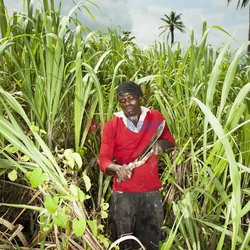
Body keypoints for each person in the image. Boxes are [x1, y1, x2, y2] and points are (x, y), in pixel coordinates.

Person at [99, 81, 175, 250]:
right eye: (123, 100)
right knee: (124, 244)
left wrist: (162, 145)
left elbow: (171, 143)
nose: (127, 104)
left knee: (152, 243)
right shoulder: (112, 125)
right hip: (123, 195)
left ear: (140, 97)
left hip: (151, 193)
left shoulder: (155, 118)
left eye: (131, 99)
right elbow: (103, 159)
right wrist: (117, 169)